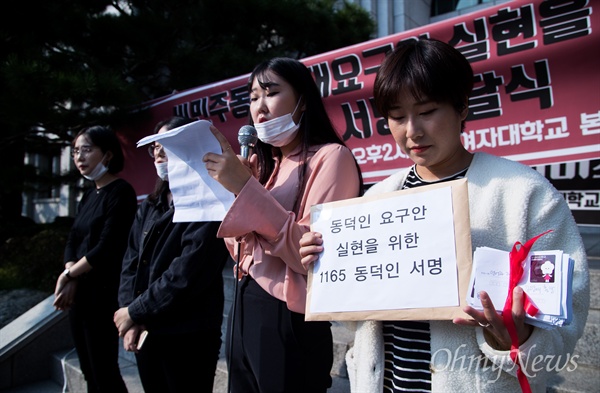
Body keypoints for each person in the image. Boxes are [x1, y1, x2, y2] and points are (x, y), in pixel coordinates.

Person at [298, 38, 590, 392]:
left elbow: (563, 328)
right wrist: (328, 267)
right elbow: (358, 323)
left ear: (462, 106)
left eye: (426, 111)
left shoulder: (523, 194)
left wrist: (516, 340)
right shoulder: (375, 201)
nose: (412, 131)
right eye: (397, 116)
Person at [203, 57, 364, 392]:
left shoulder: (331, 158)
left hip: (288, 317)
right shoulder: (263, 165)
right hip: (244, 303)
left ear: (303, 99)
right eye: (252, 98)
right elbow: (236, 249)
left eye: (271, 93)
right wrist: (243, 190)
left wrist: (247, 193)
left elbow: (309, 256)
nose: (259, 108)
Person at [113, 116, 230, 393]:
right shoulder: (151, 205)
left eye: (168, 144)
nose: (159, 152)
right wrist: (131, 316)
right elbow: (131, 261)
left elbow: (187, 273)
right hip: (146, 328)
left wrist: (135, 311)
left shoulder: (210, 202)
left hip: (188, 334)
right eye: (155, 146)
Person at [54, 125, 137, 393]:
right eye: (76, 151)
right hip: (80, 293)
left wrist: (69, 276)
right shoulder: (89, 193)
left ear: (108, 154)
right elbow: (73, 240)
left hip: (102, 295)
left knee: (104, 371)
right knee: (89, 370)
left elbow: (107, 247)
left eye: (87, 150)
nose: (79, 157)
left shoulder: (121, 192)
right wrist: (71, 274)